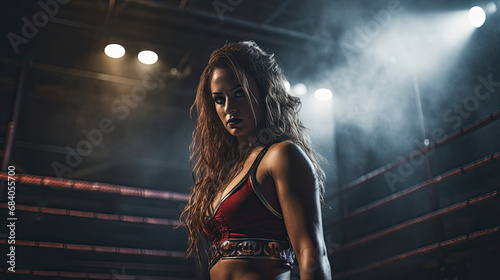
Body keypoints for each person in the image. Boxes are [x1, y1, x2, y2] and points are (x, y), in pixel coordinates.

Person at [180, 41, 332, 280]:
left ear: (264, 91)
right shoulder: (226, 173)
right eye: (219, 99)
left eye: (239, 93)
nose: (229, 108)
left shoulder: (281, 156)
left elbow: (311, 251)